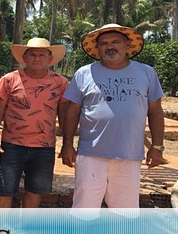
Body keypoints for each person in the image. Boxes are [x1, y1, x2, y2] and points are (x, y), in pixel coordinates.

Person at [59, 24, 166, 208]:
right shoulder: (84, 73)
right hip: (90, 154)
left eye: (116, 42)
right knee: (84, 206)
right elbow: (72, 111)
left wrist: (157, 146)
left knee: (124, 209)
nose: (110, 46)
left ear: (127, 45)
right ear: (98, 48)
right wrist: (67, 145)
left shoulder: (146, 72)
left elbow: (155, 111)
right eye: (104, 43)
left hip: (129, 154)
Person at [0, 38, 69, 208]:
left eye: (42, 55)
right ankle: (0, 230)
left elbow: (64, 113)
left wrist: (67, 143)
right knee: (4, 190)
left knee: (35, 191)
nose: (37, 58)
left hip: (44, 148)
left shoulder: (60, 83)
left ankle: (25, 230)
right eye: (32, 54)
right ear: (24, 58)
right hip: (11, 145)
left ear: (50, 59)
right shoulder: (9, 80)